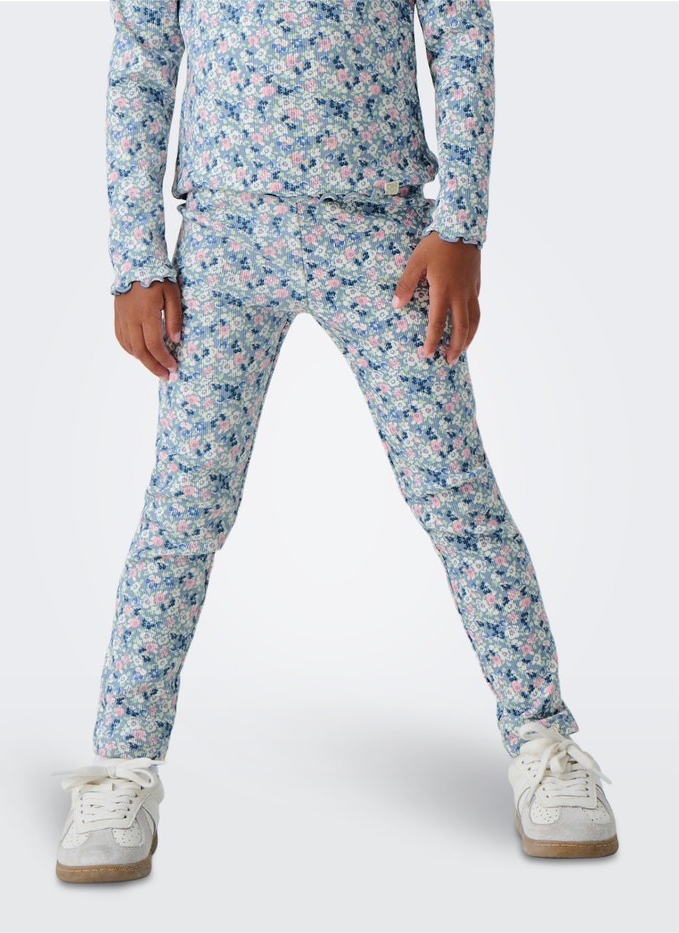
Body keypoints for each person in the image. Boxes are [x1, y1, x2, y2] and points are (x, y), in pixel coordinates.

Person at [54, 0, 618, 883]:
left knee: (455, 493)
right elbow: (143, 57)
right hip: (225, 243)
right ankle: (122, 763)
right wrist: (137, 258)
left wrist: (460, 224)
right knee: (182, 512)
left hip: (384, 236)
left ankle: (544, 738)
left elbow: (461, 29)